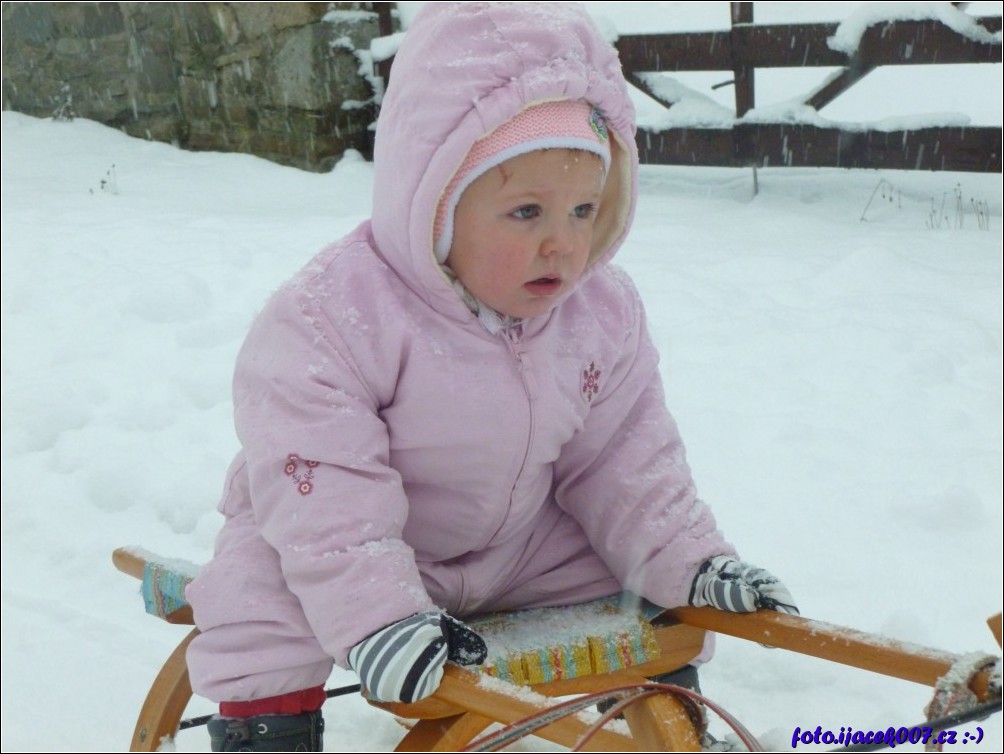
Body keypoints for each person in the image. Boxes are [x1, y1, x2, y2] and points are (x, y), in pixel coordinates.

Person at [185, 3, 798, 751]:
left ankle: (673, 724)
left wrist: (691, 565)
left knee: (629, 584)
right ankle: (268, 734)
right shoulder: (332, 316)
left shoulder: (599, 315)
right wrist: (379, 615)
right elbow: (326, 489)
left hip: (516, 546)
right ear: (437, 203)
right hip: (339, 537)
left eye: (582, 210)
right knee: (262, 598)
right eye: (526, 211)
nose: (561, 244)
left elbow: (624, 459)